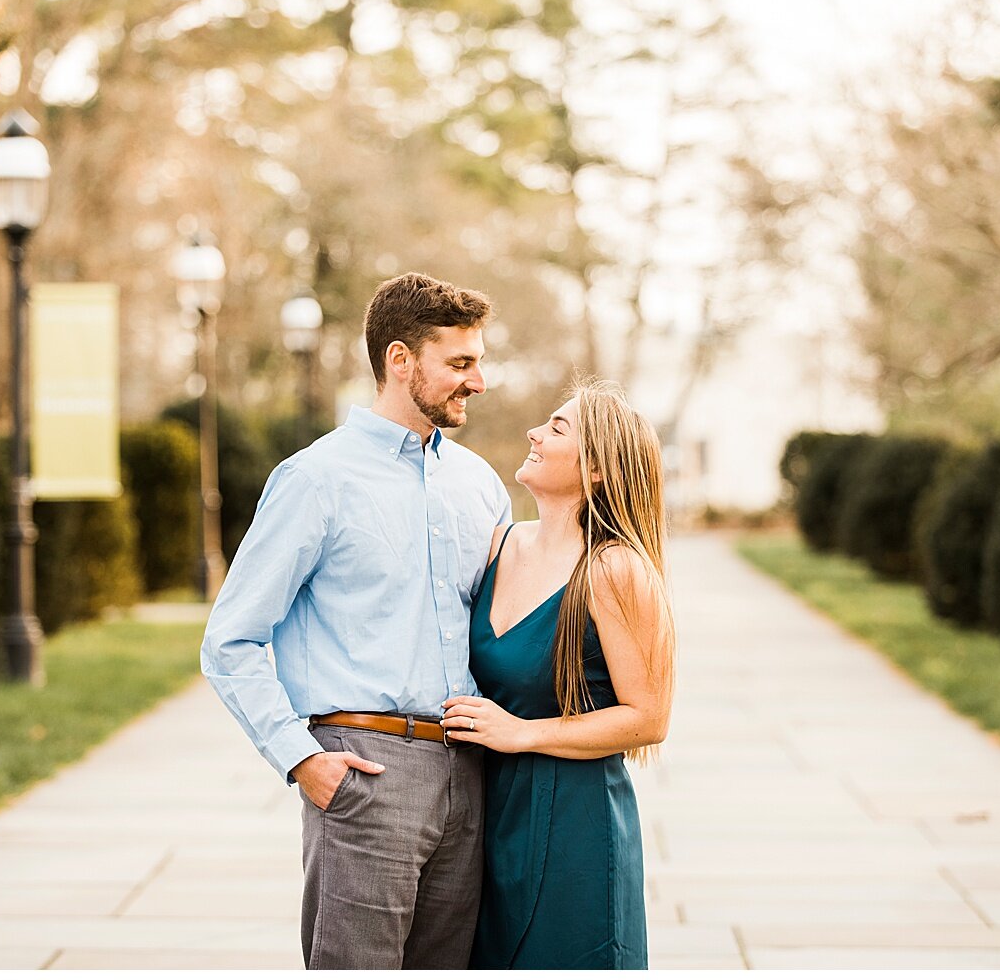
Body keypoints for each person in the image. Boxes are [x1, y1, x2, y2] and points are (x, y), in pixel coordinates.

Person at [200, 272, 512, 970]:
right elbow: (232, 639)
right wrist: (301, 759)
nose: (479, 381)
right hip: (366, 775)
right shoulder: (316, 480)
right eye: (460, 363)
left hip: (471, 773)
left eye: (478, 361)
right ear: (400, 361)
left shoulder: (480, 485)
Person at [440, 377, 675, 970]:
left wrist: (524, 733)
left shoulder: (615, 569)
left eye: (557, 428)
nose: (533, 433)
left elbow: (648, 718)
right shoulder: (500, 544)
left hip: (575, 822)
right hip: (486, 812)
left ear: (596, 469)